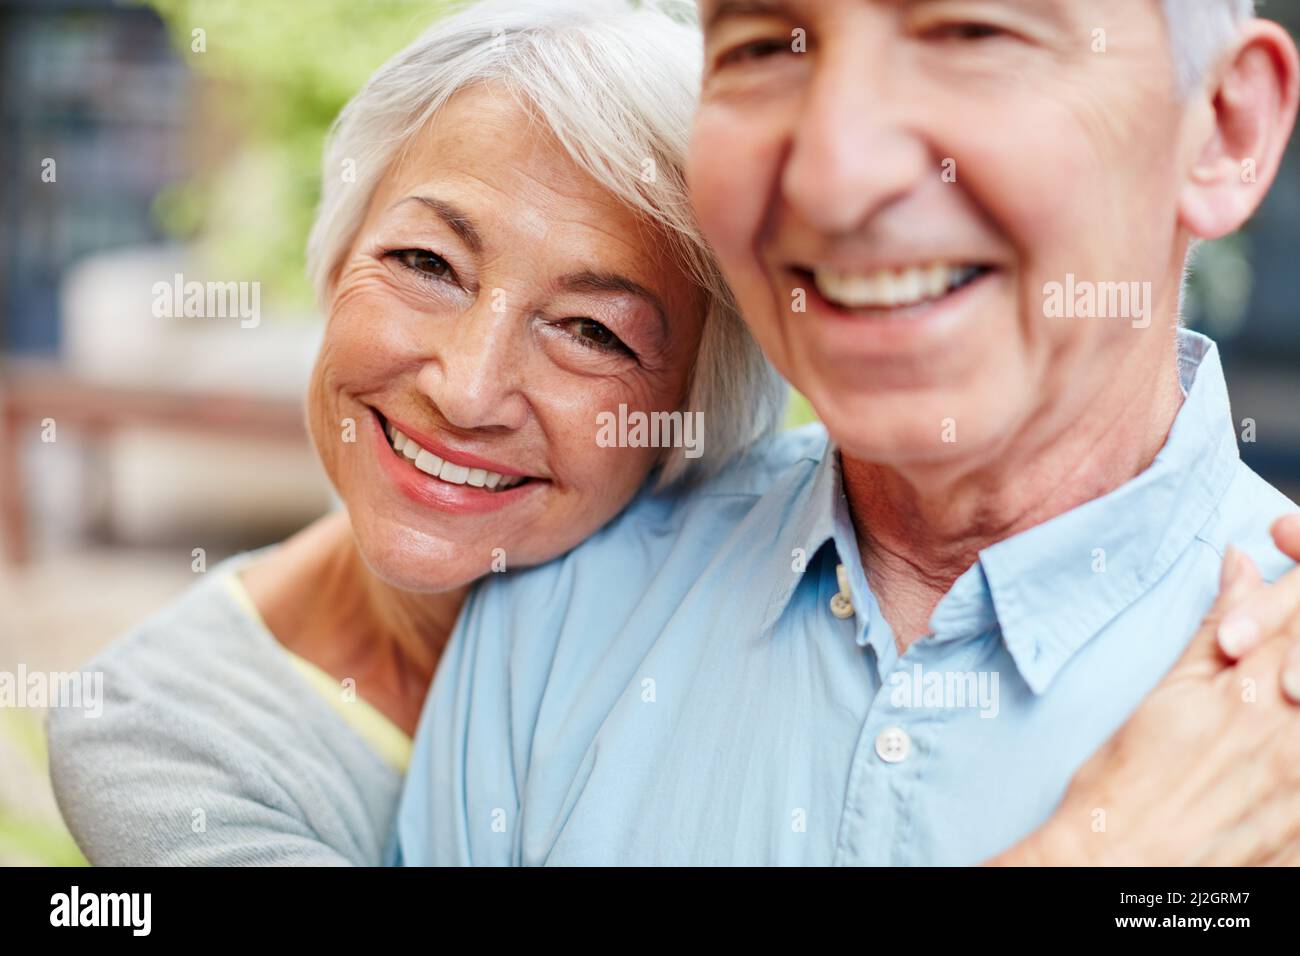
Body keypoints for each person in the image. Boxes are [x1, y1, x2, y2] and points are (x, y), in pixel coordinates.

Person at [392, 0, 1300, 865]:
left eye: (972, 32)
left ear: (1223, 131)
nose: (833, 176)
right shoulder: (555, 610)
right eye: (761, 47)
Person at [46, 0, 783, 865]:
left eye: (591, 330)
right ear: (333, 258)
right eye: (426, 263)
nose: (468, 390)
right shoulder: (155, 731)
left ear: (694, 416)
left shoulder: (782, 593)